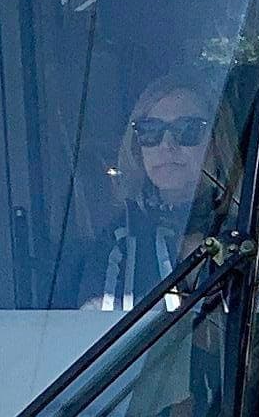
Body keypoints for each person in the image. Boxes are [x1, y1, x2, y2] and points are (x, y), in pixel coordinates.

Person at [88, 68, 230, 309]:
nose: (167, 145)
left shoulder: (252, 232)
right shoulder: (117, 245)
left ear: (218, 140)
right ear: (137, 147)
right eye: (150, 130)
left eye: (188, 130)